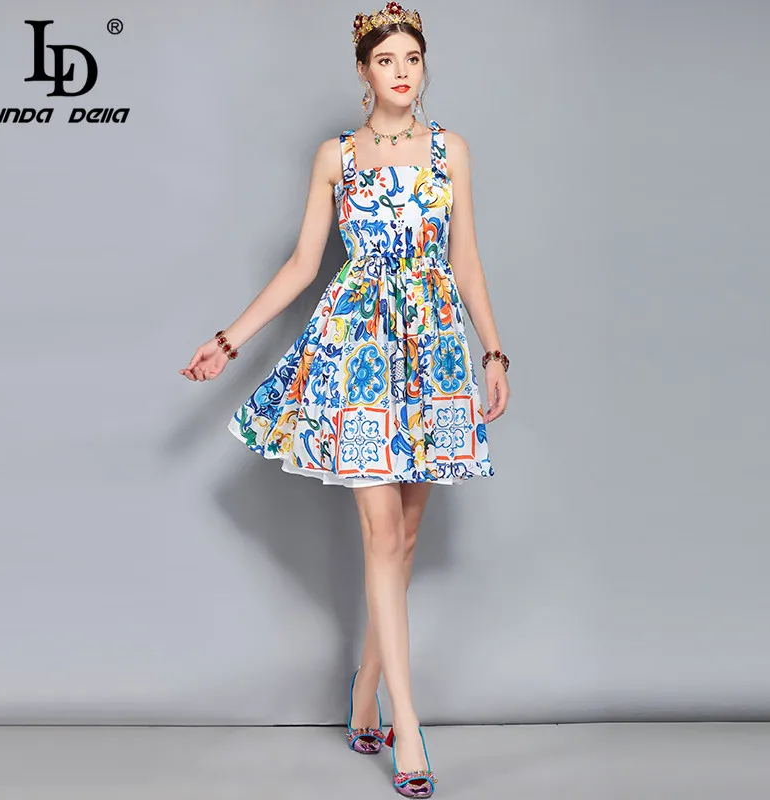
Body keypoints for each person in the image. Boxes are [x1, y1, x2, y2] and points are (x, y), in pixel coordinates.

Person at [180, 2, 510, 795]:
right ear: (363, 71)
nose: (402, 72)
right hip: (357, 352)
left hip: (434, 351)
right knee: (381, 533)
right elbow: (303, 265)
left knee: (408, 534)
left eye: (412, 59)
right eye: (386, 59)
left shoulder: (451, 151)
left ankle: (363, 691)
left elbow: (465, 259)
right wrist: (228, 339)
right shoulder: (338, 157)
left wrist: (493, 351)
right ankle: (408, 724)